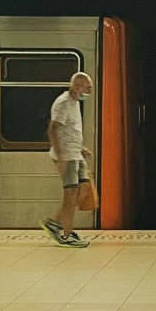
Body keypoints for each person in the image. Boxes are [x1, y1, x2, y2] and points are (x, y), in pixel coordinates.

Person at [43, 70, 94, 247]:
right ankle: (66, 234)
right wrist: (61, 157)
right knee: (70, 195)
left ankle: (55, 223)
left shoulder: (74, 103)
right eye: (87, 88)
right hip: (67, 156)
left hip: (76, 154)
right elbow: (53, 129)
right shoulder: (63, 103)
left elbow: (69, 130)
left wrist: (81, 147)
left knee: (84, 191)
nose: (89, 92)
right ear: (77, 87)